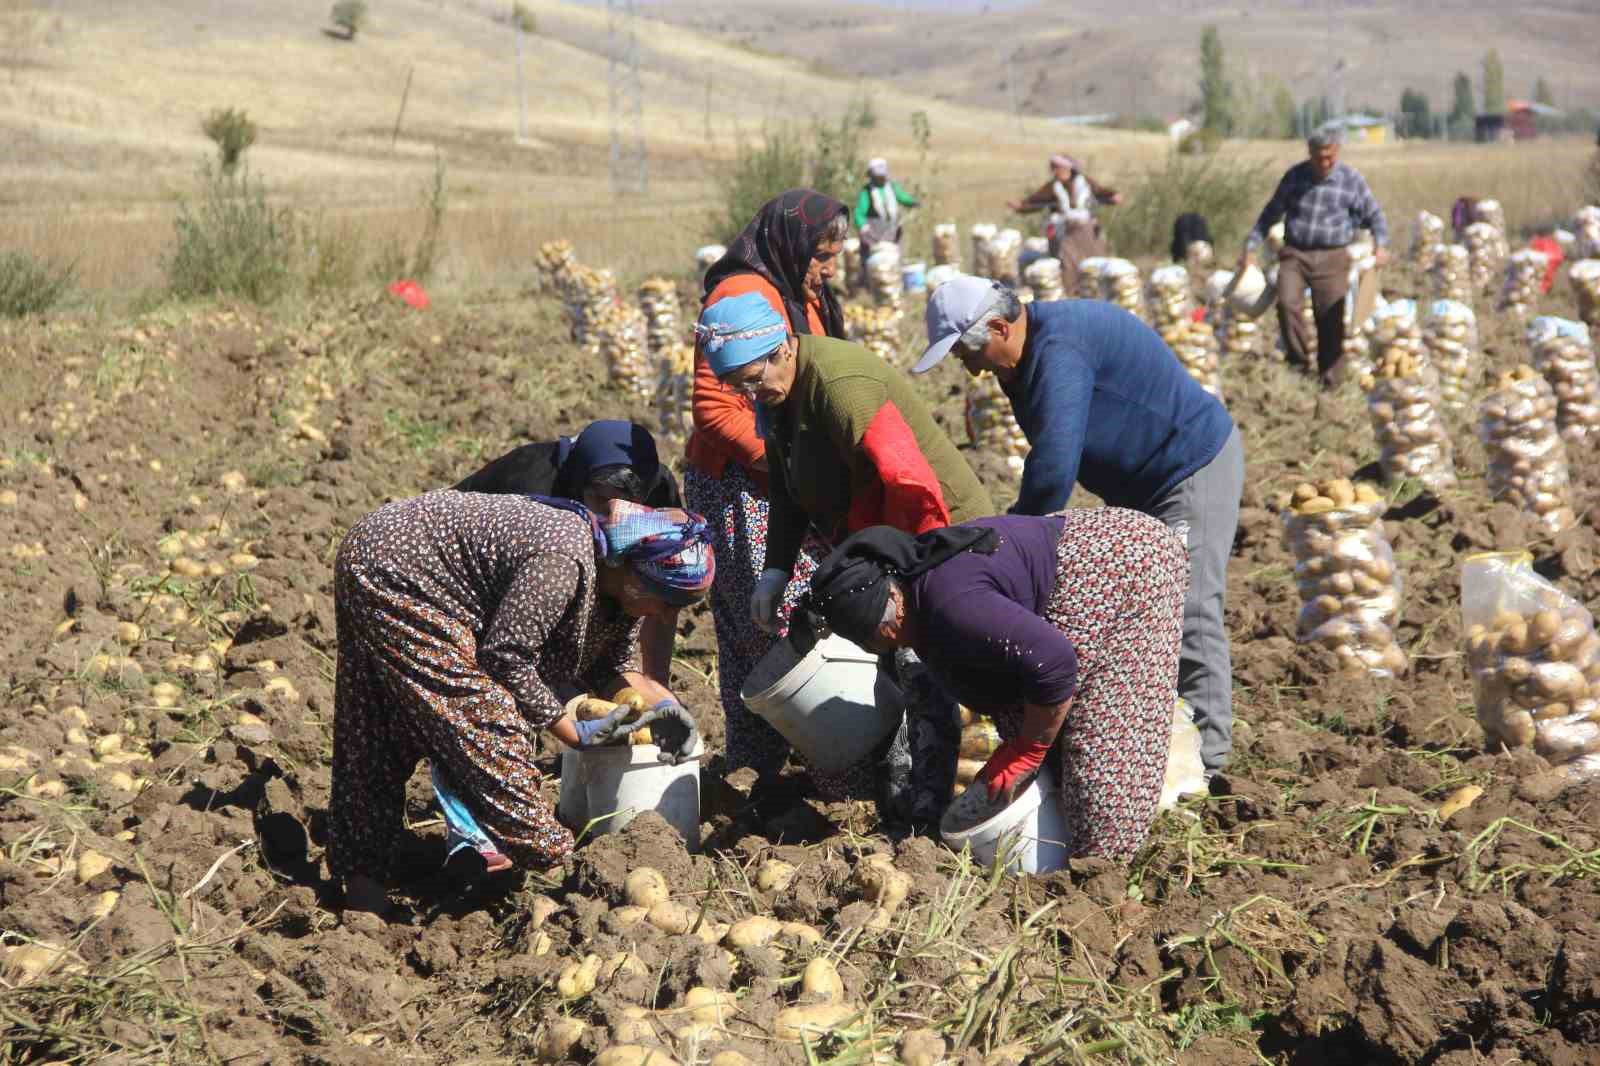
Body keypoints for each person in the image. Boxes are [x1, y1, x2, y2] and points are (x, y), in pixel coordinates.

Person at [914, 276, 1242, 777]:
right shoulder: (1021, 355)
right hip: (1138, 485)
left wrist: (1007, 543)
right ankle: (1159, 749)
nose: (969, 367)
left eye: (966, 351)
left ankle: (1210, 764)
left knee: (1191, 611)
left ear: (1000, 327)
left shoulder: (1058, 350)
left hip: (1187, 470)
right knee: (1144, 609)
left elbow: (1053, 467)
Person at [328, 492, 712, 912]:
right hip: (396, 570)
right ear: (635, 576)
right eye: (668, 602)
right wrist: (573, 733)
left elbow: (615, 669)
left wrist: (667, 710)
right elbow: (506, 658)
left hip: (383, 558)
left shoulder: (619, 586)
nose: (667, 618)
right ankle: (553, 863)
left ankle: (363, 888)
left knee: (376, 722)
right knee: (489, 720)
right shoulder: (563, 562)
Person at [698, 292, 995, 820]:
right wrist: (775, 570)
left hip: (938, 532)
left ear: (783, 348)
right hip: (879, 539)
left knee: (930, 669)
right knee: (898, 668)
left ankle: (944, 807)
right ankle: (906, 799)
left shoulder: (840, 386)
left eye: (751, 378)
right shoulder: (776, 397)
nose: (748, 393)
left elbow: (910, 485)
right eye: (736, 385)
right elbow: (789, 488)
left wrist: (911, 578)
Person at [800, 510, 1188, 859]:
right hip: (1076, 581)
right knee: (1046, 740)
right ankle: (1060, 848)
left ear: (895, 599)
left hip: (1121, 568)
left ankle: (1106, 875)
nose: (880, 643)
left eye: (879, 632)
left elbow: (1054, 665)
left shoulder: (950, 602)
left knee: (1099, 759)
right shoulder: (919, 612)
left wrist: (1029, 749)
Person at [686, 190, 851, 781]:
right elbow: (714, 408)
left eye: (836, 254)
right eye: (822, 254)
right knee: (773, 624)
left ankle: (810, 762)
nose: (830, 268)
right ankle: (778, 767)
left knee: (798, 617)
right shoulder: (743, 295)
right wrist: (789, 463)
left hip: (784, 482)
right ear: (790, 243)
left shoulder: (799, 294)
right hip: (744, 488)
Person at [453, 421, 683, 688]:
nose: (614, 515)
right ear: (580, 483)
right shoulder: (533, 486)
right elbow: (509, 631)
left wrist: (656, 684)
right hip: (473, 579)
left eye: (628, 503)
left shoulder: (657, 489)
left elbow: (665, 591)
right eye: (600, 499)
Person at [1240, 130, 1390, 385]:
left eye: (1329, 157)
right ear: (1309, 154)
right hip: (1296, 254)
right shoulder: (1295, 177)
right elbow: (1270, 215)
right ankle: (1298, 365)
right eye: (1318, 158)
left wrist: (1381, 245)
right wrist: (1250, 248)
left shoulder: (1350, 180)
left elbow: (1374, 215)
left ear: (1337, 152)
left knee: (1330, 313)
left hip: (1333, 255)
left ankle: (1329, 377)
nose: (1324, 163)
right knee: (1287, 304)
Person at [1008, 154, 1122, 290]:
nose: (1055, 172)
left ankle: (1096, 288)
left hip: (1087, 231)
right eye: (1053, 168)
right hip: (1065, 232)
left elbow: (1100, 192)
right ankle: (1072, 290)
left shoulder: (1084, 182)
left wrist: (1112, 196)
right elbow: (1035, 202)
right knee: (1067, 263)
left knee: (1094, 260)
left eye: (1057, 168)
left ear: (1068, 168)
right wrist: (1021, 206)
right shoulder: (1052, 187)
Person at [853, 158, 918, 261]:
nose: (881, 179)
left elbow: (902, 197)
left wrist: (912, 202)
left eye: (882, 176)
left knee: (894, 258)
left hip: (892, 230)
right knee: (875, 259)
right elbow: (859, 212)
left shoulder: (892, 187)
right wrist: (862, 226)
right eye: (878, 177)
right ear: (872, 176)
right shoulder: (867, 191)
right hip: (873, 233)